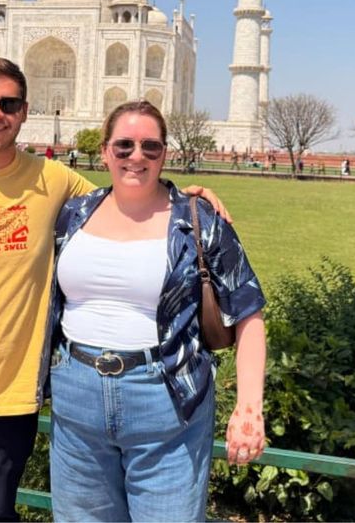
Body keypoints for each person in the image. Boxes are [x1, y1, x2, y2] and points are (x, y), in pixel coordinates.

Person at [0, 58, 228, 522]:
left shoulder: (52, 180)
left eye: (8, 103)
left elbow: (122, 195)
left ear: (24, 110)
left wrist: (183, 198)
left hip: (9, 399)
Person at [48, 101, 266, 522]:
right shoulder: (75, 213)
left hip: (166, 398)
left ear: (164, 154)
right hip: (77, 398)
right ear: (105, 151)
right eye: (124, 145)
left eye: (150, 147)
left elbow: (249, 314)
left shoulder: (196, 220)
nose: (137, 156)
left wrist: (248, 408)